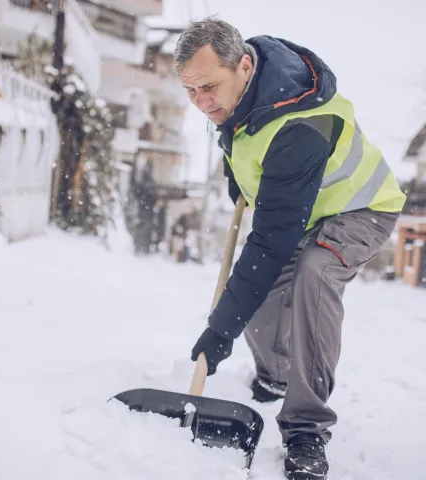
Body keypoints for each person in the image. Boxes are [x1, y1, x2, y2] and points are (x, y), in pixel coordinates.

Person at [174, 18, 406, 480]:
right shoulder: (243, 91)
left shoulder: (300, 122)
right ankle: (276, 374)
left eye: (210, 88)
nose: (202, 103)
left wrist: (220, 331)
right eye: (191, 91)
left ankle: (306, 428)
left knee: (313, 276)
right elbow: (246, 152)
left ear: (243, 66)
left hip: (362, 209)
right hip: (307, 212)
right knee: (259, 308)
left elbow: (272, 238)